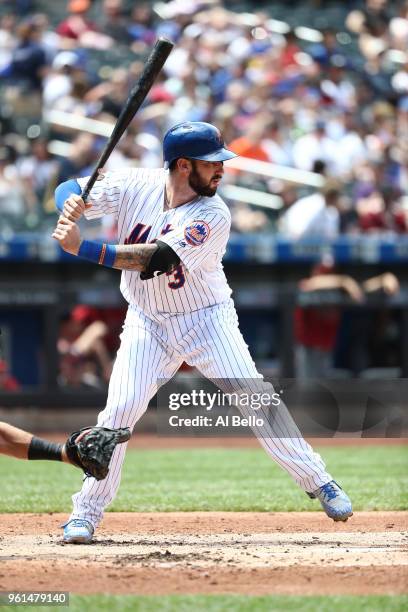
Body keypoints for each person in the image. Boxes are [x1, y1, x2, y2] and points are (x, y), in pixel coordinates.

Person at [52, 121, 353, 544]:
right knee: (117, 415)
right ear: (181, 165)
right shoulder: (135, 183)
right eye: (211, 163)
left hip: (206, 319)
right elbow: (67, 187)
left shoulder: (213, 213)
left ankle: (319, 481)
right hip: (147, 320)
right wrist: (72, 205)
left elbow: (155, 259)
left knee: (256, 398)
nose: (221, 171)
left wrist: (82, 246)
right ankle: (85, 513)